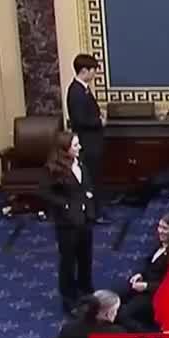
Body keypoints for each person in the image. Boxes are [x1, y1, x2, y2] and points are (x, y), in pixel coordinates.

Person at [37, 131, 95, 314]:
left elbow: (86, 185)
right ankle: (69, 299)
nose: (80, 148)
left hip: (84, 220)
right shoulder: (53, 169)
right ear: (65, 149)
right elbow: (45, 193)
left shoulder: (80, 164)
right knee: (68, 262)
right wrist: (67, 205)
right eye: (75, 145)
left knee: (85, 258)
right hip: (67, 224)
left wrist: (88, 201)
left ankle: (86, 291)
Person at [117, 213, 169, 331]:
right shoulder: (159, 245)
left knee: (124, 315)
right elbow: (150, 267)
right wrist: (140, 275)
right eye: (159, 227)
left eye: (165, 228)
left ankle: (149, 337)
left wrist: (146, 286)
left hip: (156, 294)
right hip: (144, 286)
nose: (160, 231)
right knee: (114, 298)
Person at [66, 54, 107, 221]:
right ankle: (93, 214)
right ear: (84, 71)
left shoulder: (83, 88)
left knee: (94, 177)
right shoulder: (76, 91)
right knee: (91, 178)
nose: (95, 74)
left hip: (93, 142)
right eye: (93, 70)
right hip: (87, 143)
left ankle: (95, 211)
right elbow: (79, 120)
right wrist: (99, 122)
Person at [49, 290, 125, 338]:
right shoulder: (118, 333)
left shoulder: (68, 328)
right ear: (108, 314)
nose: (116, 313)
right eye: (116, 310)